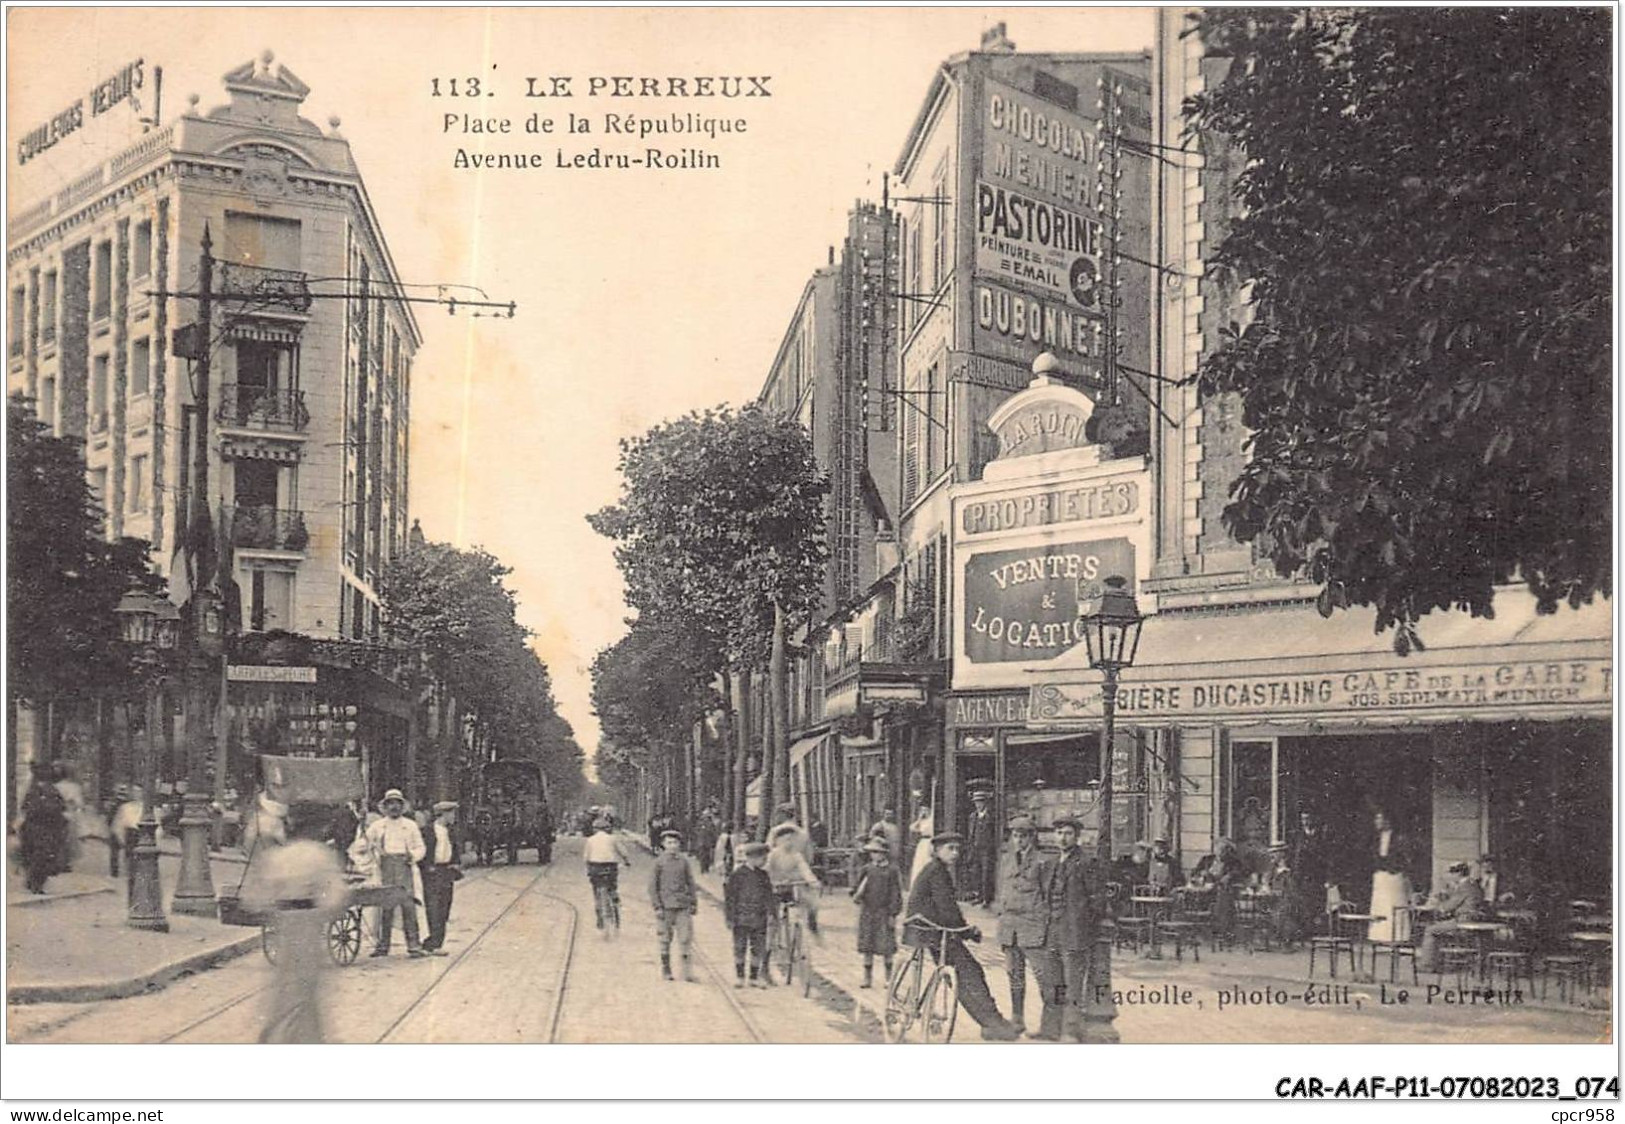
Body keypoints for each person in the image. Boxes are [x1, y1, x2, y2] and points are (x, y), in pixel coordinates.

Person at [245, 805, 348, 1042]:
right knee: (304, 985)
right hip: (308, 922)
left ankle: (306, 1038)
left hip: (283, 922)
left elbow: (256, 899)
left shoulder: (277, 856)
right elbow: (335, 897)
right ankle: (282, 1037)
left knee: (288, 981)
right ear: (319, 827)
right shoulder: (320, 855)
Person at [905, 831, 1020, 1040]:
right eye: (950, 848)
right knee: (969, 973)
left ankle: (990, 1022)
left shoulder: (936, 869)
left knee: (967, 972)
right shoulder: (937, 872)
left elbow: (947, 909)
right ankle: (991, 1023)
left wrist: (963, 929)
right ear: (937, 850)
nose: (955, 853)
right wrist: (967, 931)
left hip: (929, 929)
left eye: (958, 848)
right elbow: (947, 909)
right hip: (932, 930)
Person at [995, 815, 1061, 1039]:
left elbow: (1048, 894)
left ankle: (1051, 1027)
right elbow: (1001, 887)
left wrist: (1046, 921)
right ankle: (1017, 1019)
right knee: (1014, 975)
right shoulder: (1006, 859)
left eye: (1024, 836)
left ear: (1033, 837)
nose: (1019, 840)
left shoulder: (1043, 861)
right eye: (1016, 835)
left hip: (1033, 926)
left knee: (1045, 977)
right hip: (1009, 928)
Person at [1047, 816, 1106, 1043]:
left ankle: (1072, 1030)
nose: (1063, 838)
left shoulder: (1085, 862)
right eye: (1060, 833)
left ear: (1077, 836)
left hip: (1074, 932)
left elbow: (1097, 900)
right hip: (1053, 930)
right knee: (1055, 982)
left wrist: (1084, 925)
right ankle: (1054, 1028)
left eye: (1068, 834)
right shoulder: (1054, 862)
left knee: (1073, 985)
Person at [366, 789, 428, 958]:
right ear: (385, 807)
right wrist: (375, 852)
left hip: (405, 867)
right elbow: (364, 844)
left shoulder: (410, 825)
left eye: (397, 803)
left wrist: (413, 856)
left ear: (402, 806)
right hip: (385, 868)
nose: (394, 807)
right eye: (390, 803)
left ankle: (414, 946)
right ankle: (382, 946)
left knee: (408, 906)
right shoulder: (377, 826)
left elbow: (421, 847)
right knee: (386, 907)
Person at [1414, 860, 1488, 972]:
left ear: (1458, 874)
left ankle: (1427, 965)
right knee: (1439, 927)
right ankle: (1438, 961)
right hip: (1473, 922)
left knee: (1430, 930)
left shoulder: (1464, 886)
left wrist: (1437, 904)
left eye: (1452, 874)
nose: (1450, 876)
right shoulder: (1473, 885)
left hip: (1463, 923)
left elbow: (1447, 907)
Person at [851, 838, 903, 989]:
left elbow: (896, 892)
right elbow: (857, 887)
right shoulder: (867, 869)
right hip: (868, 911)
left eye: (877, 852)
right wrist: (856, 893)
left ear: (884, 853)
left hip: (884, 912)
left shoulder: (892, 870)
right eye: (872, 852)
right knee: (867, 945)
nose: (874, 855)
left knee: (886, 946)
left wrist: (893, 913)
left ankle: (889, 978)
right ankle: (867, 978)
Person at [724, 841, 775, 988]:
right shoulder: (737, 875)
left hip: (759, 918)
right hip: (741, 917)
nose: (764, 861)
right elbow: (730, 898)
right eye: (762, 858)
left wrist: (771, 912)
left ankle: (753, 977)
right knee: (740, 947)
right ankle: (740, 977)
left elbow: (768, 895)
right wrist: (729, 917)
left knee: (757, 948)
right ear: (751, 858)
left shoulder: (763, 875)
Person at [649, 829, 698, 981]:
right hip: (665, 906)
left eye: (675, 842)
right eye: (669, 842)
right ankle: (666, 969)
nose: (672, 846)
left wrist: (693, 902)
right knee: (665, 938)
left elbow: (690, 883)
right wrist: (657, 906)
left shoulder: (684, 862)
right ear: (663, 844)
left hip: (682, 906)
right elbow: (652, 886)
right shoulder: (658, 862)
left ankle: (686, 971)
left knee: (685, 938)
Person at [419, 801, 462, 956]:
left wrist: (455, 864)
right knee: (433, 907)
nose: (453, 817)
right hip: (432, 872)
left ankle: (437, 942)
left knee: (445, 907)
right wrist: (426, 866)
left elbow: (455, 850)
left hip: (447, 871)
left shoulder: (451, 831)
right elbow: (421, 851)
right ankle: (432, 942)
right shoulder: (427, 831)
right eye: (451, 813)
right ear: (443, 814)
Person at [767, 822, 822, 938]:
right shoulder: (773, 855)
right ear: (778, 841)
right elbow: (767, 869)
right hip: (776, 886)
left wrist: (813, 881)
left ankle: (810, 924)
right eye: (786, 840)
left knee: (812, 901)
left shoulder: (796, 855)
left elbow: (804, 868)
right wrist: (769, 881)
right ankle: (769, 942)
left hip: (793, 885)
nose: (789, 843)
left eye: (792, 840)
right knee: (771, 915)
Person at [1367, 809, 1414, 943]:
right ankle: (1379, 935)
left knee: (1394, 903)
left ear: (1387, 821)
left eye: (1379, 819)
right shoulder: (1375, 838)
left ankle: (1398, 935)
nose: (1377, 822)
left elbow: (1407, 858)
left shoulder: (1400, 837)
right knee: (1380, 904)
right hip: (1380, 876)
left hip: (1394, 876)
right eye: (1376, 819)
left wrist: (1398, 868)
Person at [19, 774, 69, 894]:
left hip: (32, 829)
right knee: (43, 858)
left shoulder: (32, 792)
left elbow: (24, 808)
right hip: (46, 831)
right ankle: (37, 884)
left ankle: (32, 882)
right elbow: (62, 808)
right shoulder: (54, 792)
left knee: (33, 856)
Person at [584, 815, 632, 927]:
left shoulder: (590, 840)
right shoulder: (612, 838)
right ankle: (615, 899)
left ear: (594, 829)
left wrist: (588, 868)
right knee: (612, 884)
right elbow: (623, 852)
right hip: (610, 866)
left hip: (595, 867)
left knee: (596, 890)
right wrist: (626, 861)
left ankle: (599, 916)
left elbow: (586, 857)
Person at [1290, 809, 1332, 940]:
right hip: (1302, 875)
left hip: (1317, 875)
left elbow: (1326, 856)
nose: (1305, 822)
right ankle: (1304, 931)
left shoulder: (1321, 835)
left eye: (1308, 819)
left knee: (1316, 903)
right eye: (1303, 819)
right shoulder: (1298, 836)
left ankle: (1316, 931)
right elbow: (1295, 856)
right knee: (1303, 903)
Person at [963, 784, 999, 904]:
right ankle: (978, 896)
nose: (978, 805)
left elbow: (994, 834)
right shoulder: (972, 817)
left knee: (986, 874)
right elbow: (970, 833)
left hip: (986, 850)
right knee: (976, 873)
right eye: (976, 803)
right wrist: (970, 847)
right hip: (975, 848)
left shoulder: (990, 817)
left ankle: (986, 898)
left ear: (985, 803)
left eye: (980, 802)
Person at [109, 787, 145, 893]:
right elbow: (118, 825)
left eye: (139, 792)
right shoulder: (125, 807)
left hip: (143, 832)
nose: (136, 795)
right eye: (134, 792)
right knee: (131, 863)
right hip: (130, 835)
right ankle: (133, 886)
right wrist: (122, 839)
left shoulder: (146, 808)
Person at [908, 805, 935, 889]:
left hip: (930, 841)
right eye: (922, 810)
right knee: (919, 864)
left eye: (926, 810)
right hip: (922, 843)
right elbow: (912, 828)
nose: (924, 812)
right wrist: (919, 819)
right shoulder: (922, 821)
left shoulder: (932, 820)